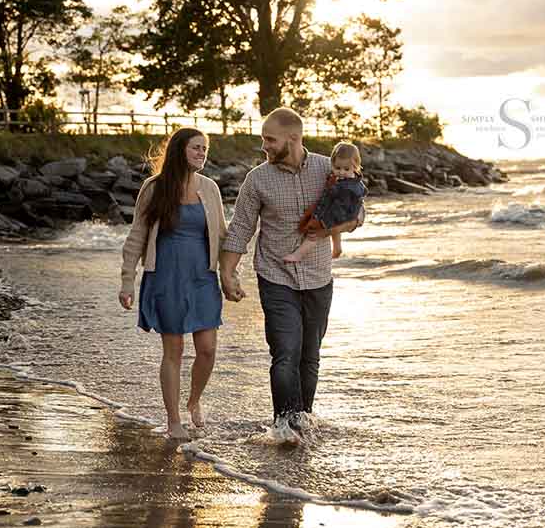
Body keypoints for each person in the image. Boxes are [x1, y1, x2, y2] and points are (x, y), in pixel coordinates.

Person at [219, 108, 364, 437]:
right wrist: (227, 273)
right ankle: (284, 425)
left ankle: (303, 422)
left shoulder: (329, 169)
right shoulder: (257, 179)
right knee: (285, 352)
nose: (264, 146)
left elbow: (358, 213)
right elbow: (241, 227)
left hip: (318, 277)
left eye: (270, 139)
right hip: (276, 275)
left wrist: (328, 233)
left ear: (293, 139)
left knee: (310, 356)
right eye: (263, 139)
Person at [119, 128, 227, 441]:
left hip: (202, 277)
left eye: (205, 149)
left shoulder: (209, 188)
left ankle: (194, 400)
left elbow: (222, 234)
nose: (202, 154)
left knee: (207, 350)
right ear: (180, 149)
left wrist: (231, 274)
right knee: (174, 350)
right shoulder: (154, 188)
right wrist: (128, 281)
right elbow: (137, 236)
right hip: (165, 276)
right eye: (196, 148)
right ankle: (174, 419)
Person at [282, 141, 367, 263]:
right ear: (332, 164)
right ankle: (337, 247)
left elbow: (342, 204)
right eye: (337, 168)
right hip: (339, 211)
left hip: (340, 214)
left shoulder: (348, 187)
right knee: (331, 227)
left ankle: (298, 255)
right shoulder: (351, 180)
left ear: (356, 167)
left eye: (346, 169)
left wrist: (325, 223)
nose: (341, 172)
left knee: (314, 235)